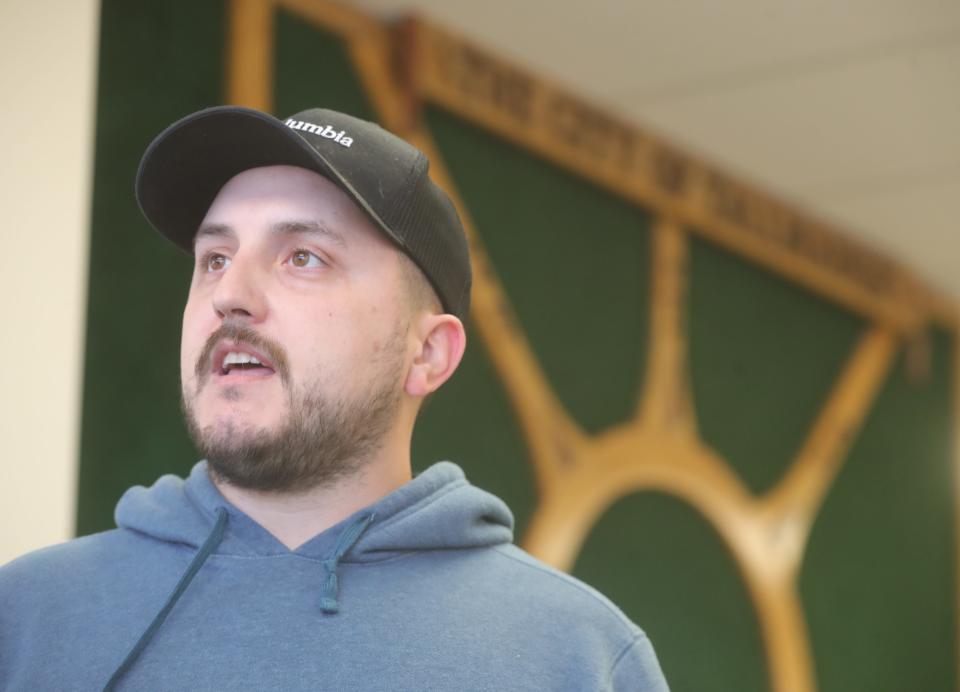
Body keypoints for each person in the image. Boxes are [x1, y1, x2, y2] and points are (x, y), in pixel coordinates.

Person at [0, 106, 669, 691]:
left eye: (303, 258)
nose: (230, 293)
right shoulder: (29, 615)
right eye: (214, 259)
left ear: (428, 354)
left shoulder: (577, 658)